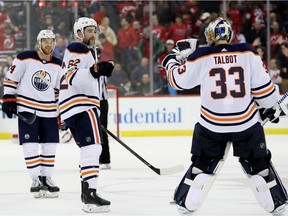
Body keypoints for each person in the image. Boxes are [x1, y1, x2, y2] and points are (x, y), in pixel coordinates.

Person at [162, 17, 288, 215]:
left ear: (210, 35)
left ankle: (185, 203)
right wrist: (270, 108)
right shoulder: (248, 52)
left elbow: (177, 81)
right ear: (229, 35)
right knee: (259, 165)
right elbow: (266, 95)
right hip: (245, 124)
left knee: (202, 164)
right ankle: (277, 204)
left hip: (211, 125)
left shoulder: (200, 55)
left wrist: (171, 58)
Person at [58, 17, 113, 213]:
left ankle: (87, 192)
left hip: (75, 106)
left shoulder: (84, 52)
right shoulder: (77, 48)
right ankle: (90, 195)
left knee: (90, 150)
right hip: (81, 104)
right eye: (89, 30)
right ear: (79, 33)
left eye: (94, 30)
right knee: (93, 148)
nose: (93, 34)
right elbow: (72, 76)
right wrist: (97, 69)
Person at [1, 29, 61, 198]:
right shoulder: (25, 57)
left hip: (49, 110)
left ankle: (47, 178)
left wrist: (61, 111)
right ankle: (35, 179)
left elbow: (58, 91)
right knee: (30, 145)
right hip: (27, 108)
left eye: (51, 41)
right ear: (39, 43)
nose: (48, 44)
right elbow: (11, 79)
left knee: (50, 145)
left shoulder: (58, 64)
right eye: (45, 41)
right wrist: (8, 98)